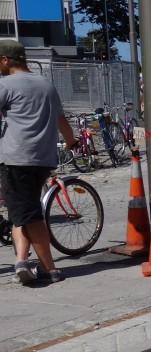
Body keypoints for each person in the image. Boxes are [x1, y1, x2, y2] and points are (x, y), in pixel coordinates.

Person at [0, 40, 78, 284]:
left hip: (16, 158)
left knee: (29, 214)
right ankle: (22, 259)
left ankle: (49, 268)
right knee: (22, 211)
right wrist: (71, 141)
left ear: (5, 60)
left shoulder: (5, 84)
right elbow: (61, 120)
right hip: (43, 159)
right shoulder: (46, 85)